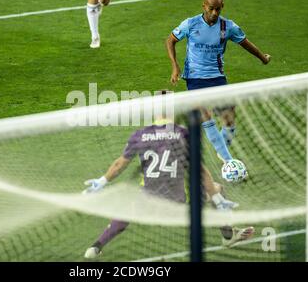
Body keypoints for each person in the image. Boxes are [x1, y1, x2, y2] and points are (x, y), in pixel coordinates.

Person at [82, 91, 254, 259]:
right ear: (173, 109)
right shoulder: (183, 133)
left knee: (126, 210)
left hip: (148, 200)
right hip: (178, 204)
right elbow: (200, 170)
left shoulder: (140, 135)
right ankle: (228, 236)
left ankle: (96, 246)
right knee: (218, 188)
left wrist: (102, 181)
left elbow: (120, 163)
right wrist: (218, 200)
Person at [166, 0, 271, 163]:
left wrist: (263, 58)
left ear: (222, 7)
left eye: (218, 9)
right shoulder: (190, 24)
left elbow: (246, 44)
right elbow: (170, 40)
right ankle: (229, 162)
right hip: (195, 77)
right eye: (211, 9)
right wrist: (175, 66)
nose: (214, 13)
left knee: (229, 121)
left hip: (217, 77)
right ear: (204, 6)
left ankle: (222, 152)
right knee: (205, 115)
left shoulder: (227, 27)